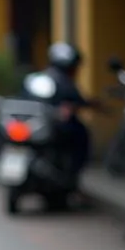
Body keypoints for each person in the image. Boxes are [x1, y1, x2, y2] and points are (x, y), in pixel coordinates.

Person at [41, 41, 93, 174]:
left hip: (48, 126)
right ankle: (72, 170)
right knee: (80, 133)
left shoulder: (45, 77)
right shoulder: (59, 81)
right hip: (47, 125)